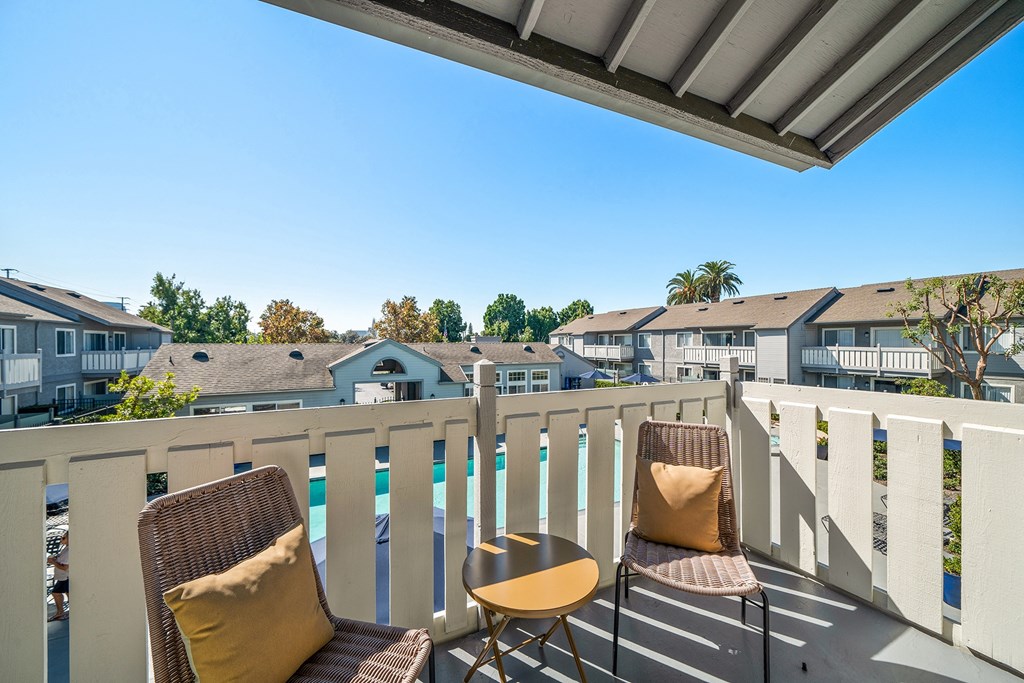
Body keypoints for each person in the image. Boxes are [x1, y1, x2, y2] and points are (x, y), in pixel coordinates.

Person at [47, 531, 69, 621]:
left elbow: (65, 567)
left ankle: (60, 612)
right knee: (66, 593)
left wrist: (53, 562)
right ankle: (61, 612)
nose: (61, 540)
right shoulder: (66, 549)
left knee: (56, 593)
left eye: (63, 538)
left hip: (65, 576)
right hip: (63, 577)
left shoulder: (69, 551)